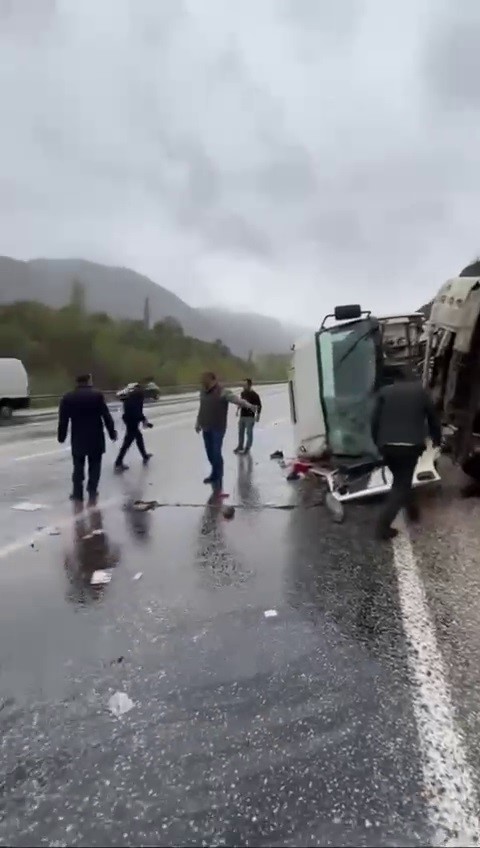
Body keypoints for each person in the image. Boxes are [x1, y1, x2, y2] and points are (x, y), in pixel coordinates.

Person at [371, 368, 442, 540]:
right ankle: (382, 527)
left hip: (386, 445)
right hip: (410, 446)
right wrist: (437, 439)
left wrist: (377, 442)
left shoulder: (384, 392)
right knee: (401, 484)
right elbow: (433, 418)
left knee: (401, 479)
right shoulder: (421, 392)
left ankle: (412, 511)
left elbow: (374, 420)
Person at [57, 374, 117, 503]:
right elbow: (106, 416)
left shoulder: (68, 397)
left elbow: (63, 420)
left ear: (76, 382)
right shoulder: (97, 396)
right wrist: (112, 433)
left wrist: (61, 436)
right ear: (89, 381)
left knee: (78, 466)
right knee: (95, 465)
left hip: (78, 438)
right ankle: (92, 490)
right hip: (96, 437)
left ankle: (77, 493)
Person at [195, 372, 255, 496]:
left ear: (213, 380)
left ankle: (219, 481)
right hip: (206, 426)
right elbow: (202, 408)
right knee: (210, 453)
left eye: (205, 380)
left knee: (216, 452)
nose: (203, 383)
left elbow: (237, 400)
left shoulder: (223, 392)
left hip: (217, 427)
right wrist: (198, 422)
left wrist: (249, 405)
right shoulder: (202, 392)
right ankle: (214, 473)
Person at [115, 381, 153, 471]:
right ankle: (118, 462)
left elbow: (136, 411)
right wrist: (144, 421)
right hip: (132, 421)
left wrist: (143, 420)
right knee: (127, 442)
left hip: (129, 420)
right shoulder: (138, 397)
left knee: (138, 437)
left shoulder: (130, 396)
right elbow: (137, 411)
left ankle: (144, 456)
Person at [234, 378, 262, 454]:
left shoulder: (254, 395)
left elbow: (259, 405)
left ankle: (247, 447)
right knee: (240, 432)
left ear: (249, 385)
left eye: (245, 385)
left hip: (250, 416)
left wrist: (258, 415)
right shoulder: (243, 393)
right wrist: (237, 410)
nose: (243, 386)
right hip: (242, 415)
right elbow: (241, 402)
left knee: (249, 432)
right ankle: (240, 446)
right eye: (243, 384)